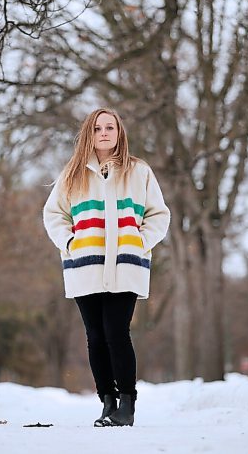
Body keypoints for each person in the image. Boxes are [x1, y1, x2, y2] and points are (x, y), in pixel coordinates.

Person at [43, 107, 170, 427]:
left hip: (126, 263)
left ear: (119, 132)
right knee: (95, 336)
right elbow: (54, 215)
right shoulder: (72, 173)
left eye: (110, 127)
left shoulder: (139, 171)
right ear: (89, 132)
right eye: (98, 127)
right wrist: (70, 243)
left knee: (117, 331)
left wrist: (142, 242)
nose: (104, 132)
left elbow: (159, 214)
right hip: (84, 264)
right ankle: (107, 401)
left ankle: (127, 403)